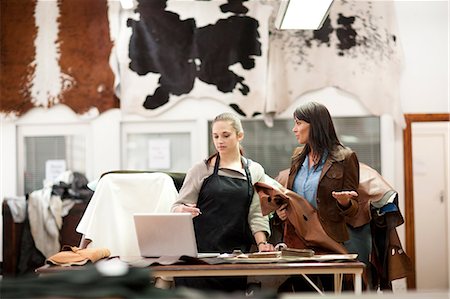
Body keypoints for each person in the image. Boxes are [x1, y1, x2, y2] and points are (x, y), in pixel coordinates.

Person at [171, 112, 274, 292]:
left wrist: (262, 244)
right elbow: (176, 207)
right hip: (198, 257)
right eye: (216, 136)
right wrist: (182, 210)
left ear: (239, 136)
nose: (220, 141)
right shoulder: (200, 169)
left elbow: (256, 214)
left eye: (226, 135)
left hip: (234, 259)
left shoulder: (255, 171)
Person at [274, 101, 360, 292]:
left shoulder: (345, 157)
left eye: (299, 123)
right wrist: (282, 211)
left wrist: (345, 202)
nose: (294, 129)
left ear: (315, 124)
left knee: (334, 292)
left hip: (329, 241)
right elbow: (294, 198)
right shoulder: (298, 156)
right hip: (296, 242)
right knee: (303, 294)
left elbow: (354, 209)